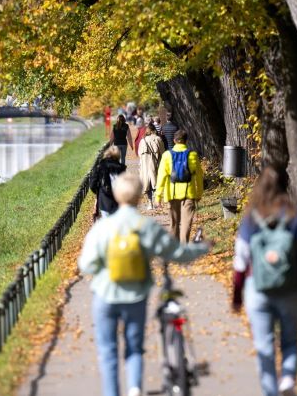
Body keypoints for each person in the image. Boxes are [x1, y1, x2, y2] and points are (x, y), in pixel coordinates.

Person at [79, 174, 209, 396]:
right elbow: (177, 252)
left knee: (108, 350)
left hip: (105, 295)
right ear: (139, 196)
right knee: (134, 346)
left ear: (117, 195)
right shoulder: (145, 226)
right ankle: (135, 388)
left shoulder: (103, 227)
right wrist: (202, 248)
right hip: (136, 295)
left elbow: (87, 264)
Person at [231, 166, 297, 396]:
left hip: (257, 289)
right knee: (290, 341)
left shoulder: (252, 217)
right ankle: (288, 379)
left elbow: (240, 262)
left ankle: (270, 391)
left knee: (264, 348)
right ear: (285, 184)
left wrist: (237, 296)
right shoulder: (296, 215)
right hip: (290, 287)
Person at [155, 130, 203, 243]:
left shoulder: (167, 155)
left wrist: (158, 196)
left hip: (171, 194)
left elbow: (161, 176)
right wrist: (199, 193)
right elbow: (199, 176)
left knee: (174, 223)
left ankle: (175, 248)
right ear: (186, 141)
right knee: (186, 222)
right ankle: (183, 246)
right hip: (189, 193)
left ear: (174, 141)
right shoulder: (193, 155)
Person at [90, 146, 127, 217]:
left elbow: (92, 184)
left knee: (106, 222)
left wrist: (99, 191)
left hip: (104, 199)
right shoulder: (121, 168)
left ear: (106, 154)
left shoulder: (100, 166)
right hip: (118, 199)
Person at [137, 126, 165, 210]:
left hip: (145, 166)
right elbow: (163, 152)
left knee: (147, 184)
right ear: (154, 130)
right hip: (156, 164)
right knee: (156, 183)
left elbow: (139, 154)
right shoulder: (157, 139)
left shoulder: (142, 141)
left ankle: (150, 203)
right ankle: (157, 201)